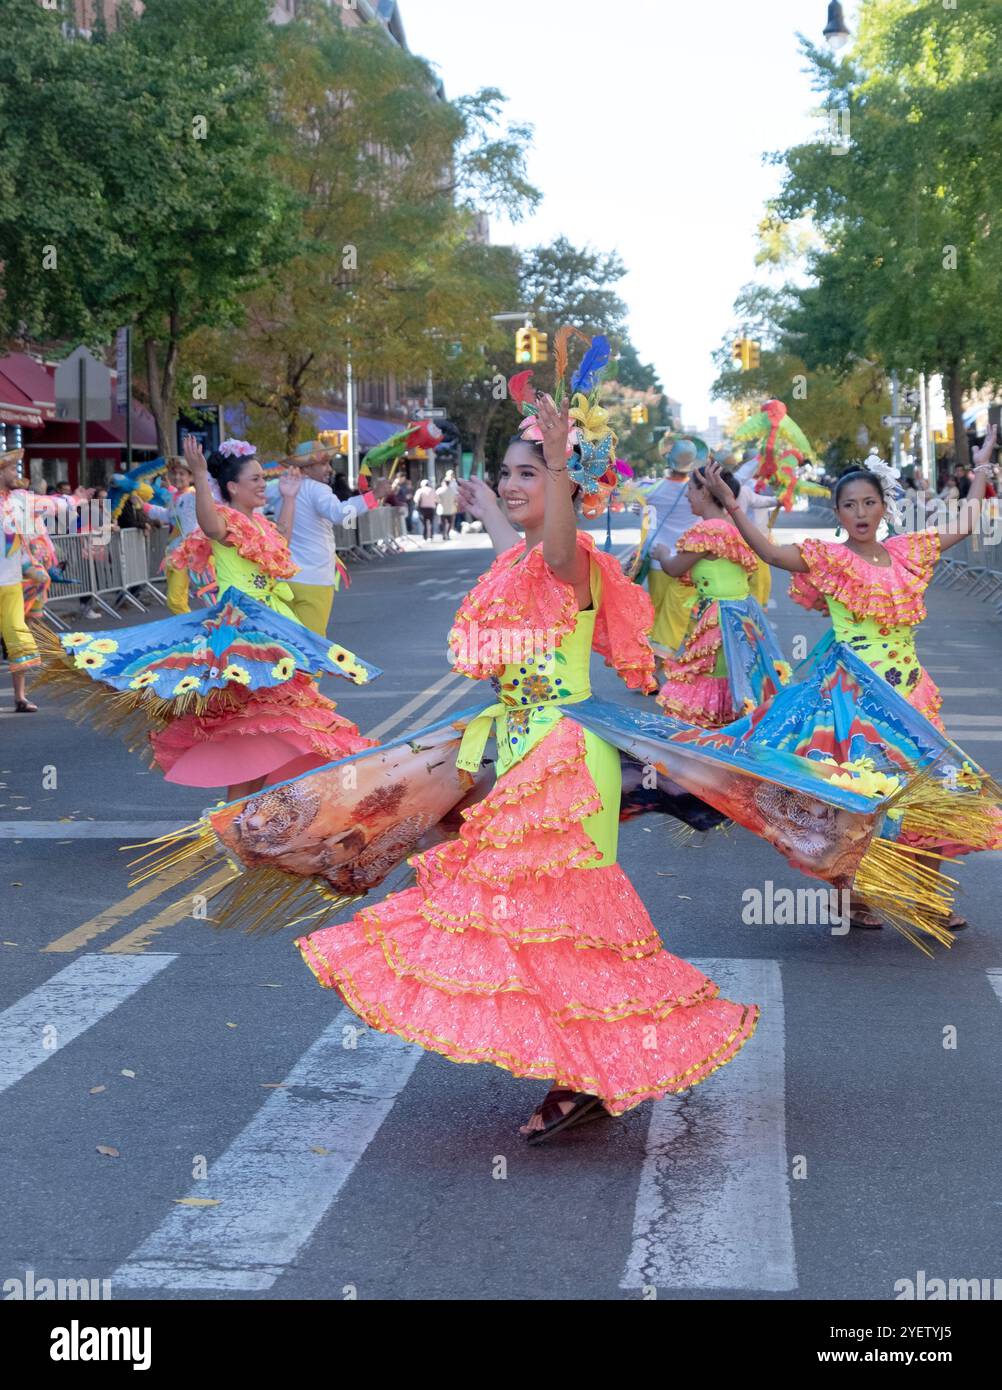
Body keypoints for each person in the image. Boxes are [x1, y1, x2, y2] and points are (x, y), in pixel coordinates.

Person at [294, 390, 760, 1144]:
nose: (513, 484)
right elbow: (514, 572)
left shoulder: (573, 559)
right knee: (544, 925)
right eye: (507, 473)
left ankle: (585, 1074)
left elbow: (549, 556)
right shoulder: (524, 560)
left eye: (528, 474)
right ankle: (583, 1071)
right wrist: (487, 509)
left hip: (564, 758)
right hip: (517, 749)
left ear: (567, 488)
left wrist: (558, 452)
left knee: (560, 920)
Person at [701, 428, 1002, 934]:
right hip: (856, 704)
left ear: (884, 506)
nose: (860, 513)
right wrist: (734, 506)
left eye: (869, 502)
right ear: (838, 514)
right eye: (849, 505)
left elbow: (966, 522)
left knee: (933, 796)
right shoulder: (829, 558)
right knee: (857, 802)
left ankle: (925, 897)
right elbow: (773, 556)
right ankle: (853, 895)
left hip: (911, 698)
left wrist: (983, 465)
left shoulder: (907, 552)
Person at [42, 437, 380, 803]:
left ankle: (248, 812)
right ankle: (235, 813)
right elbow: (208, 522)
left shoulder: (262, 525)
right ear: (233, 487)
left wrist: (292, 498)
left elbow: (281, 538)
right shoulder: (227, 521)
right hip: (244, 633)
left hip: (276, 625)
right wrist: (201, 477)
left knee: (276, 724)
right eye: (254, 479)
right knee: (251, 727)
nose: (261, 485)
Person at [652, 465, 789, 727]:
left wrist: (662, 554)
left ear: (704, 491)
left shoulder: (709, 530)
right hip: (743, 614)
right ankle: (735, 739)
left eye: (690, 490)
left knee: (714, 679)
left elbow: (674, 568)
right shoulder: (735, 526)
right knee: (735, 679)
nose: (687, 496)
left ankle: (720, 747)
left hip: (721, 620)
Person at [264, 440, 377, 636]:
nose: (329, 469)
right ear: (306, 467)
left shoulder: (279, 487)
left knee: (288, 642)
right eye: (323, 463)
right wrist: (373, 497)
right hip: (314, 579)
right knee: (313, 645)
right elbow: (340, 514)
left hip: (283, 578)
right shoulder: (317, 489)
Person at [639, 438, 702, 669]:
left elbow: (643, 516)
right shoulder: (697, 492)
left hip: (658, 561)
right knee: (682, 614)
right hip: (688, 562)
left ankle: (652, 665)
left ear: (669, 460)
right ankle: (686, 660)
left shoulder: (651, 490)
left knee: (656, 614)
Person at [0, 449, 41, 711]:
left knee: (17, 636)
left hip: (11, 582)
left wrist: (31, 564)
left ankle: (20, 697)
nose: (16, 474)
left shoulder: (17, 502)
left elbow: (22, 539)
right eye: (11, 469)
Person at [143, 455, 199, 615]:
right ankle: (190, 630)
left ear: (191, 477)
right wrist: (144, 506)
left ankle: (194, 630)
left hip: (194, 553)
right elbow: (168, 515)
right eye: (174, 473)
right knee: (175, 600)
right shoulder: (178, 497)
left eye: (182, 473)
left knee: (178, 600)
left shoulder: (194, 495)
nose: (177, 477)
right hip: (177, 552)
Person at [436, 470, 459, 540]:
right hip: (450, 508)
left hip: (442, 508)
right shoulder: (452, 490)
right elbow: (456, 498)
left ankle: (444, 533)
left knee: (444, 522)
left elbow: (436, 498)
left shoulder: (440, 490)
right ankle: (447, 533)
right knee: (449, 522)